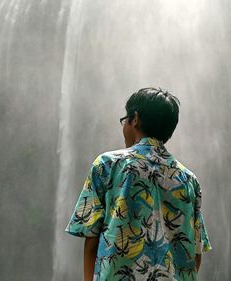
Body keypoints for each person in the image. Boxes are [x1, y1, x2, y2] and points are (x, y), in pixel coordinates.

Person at [65, 87, 211, 281]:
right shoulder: (188, 180)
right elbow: (195, 251)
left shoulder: (107, 165)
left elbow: (91, 239)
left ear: (134, 119)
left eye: (124, 120)